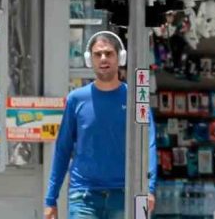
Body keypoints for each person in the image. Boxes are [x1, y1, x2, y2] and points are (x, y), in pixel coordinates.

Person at [44, 31, 157, 219]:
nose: (103, 58)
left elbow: (148, 144)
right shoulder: (76, 99)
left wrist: (149, 189)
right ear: (90, 60)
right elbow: (62, 149)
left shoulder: (137, 98)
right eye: (98, 54)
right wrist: (50, 199)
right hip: (83, 197)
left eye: (109, 53)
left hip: (125, 194)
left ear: (120, 57)